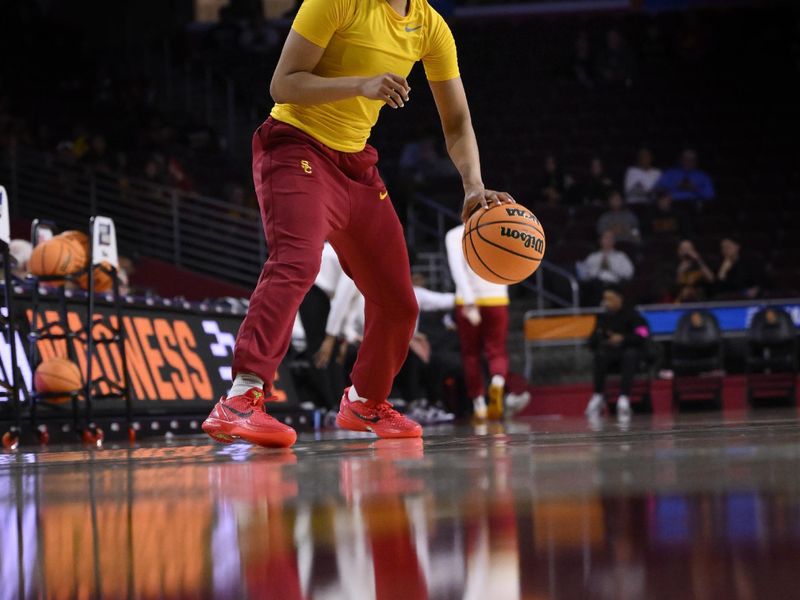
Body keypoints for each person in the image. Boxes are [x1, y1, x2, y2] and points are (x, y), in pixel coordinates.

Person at [203, 0, 514, 447]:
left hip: (356, 165)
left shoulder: (431, 27)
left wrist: (473, 185)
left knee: (398, 301)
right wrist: (360, 85)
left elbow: (458, 120)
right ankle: (240, 398)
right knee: (297, 262)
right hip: (295, 147)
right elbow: (282, 85)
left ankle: (364, 401)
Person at [445, 224, 509, 421]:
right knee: (496, 350)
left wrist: (469, 300)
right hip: (497, 297)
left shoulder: (455, 234)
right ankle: (497, 381)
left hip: (468, 300)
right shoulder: (500, 226)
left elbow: (457, 268)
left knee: (471, 354)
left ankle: (479, 404)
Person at [585, 286, 650, 422]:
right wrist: (600, 337)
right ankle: (598, 395)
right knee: (600, 355)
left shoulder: (634, 315)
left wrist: (623, 338)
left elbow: (644, 335)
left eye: (609, 298)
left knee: (630, 354)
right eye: (605, 299)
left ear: (619, 298)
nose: (606, 302)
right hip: (611, 357)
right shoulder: (603, 318)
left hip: (630, 357)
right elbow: (590, 342)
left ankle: (624, 397)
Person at [577, 231, 635, 306]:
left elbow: (629, 273)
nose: (608, 241)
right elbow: (584, 276)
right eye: (605, 238)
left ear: (614, 241)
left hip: (615, 286)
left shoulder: (621, 256)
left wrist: (611, 266)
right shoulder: (592, 257)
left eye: (610, 238)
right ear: (600, 241)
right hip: (595, 287)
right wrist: (598, 268)